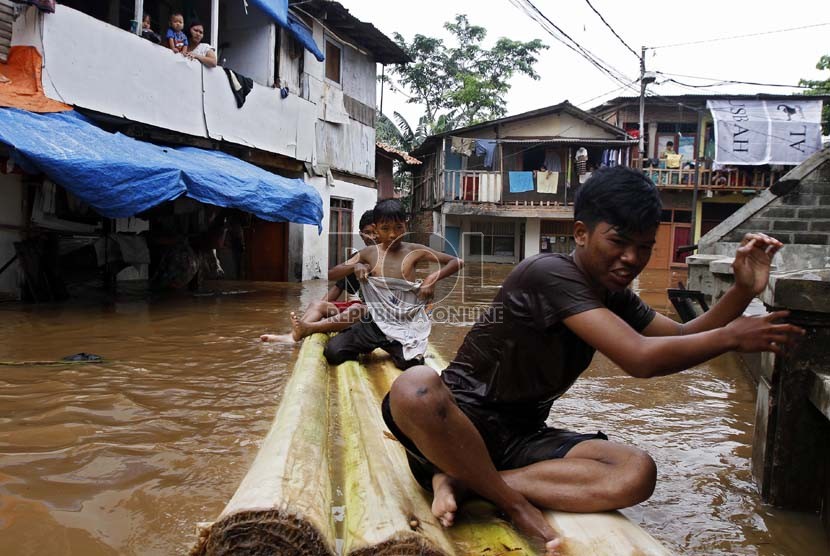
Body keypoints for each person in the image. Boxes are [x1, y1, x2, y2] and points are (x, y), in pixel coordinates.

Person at [381, 166, 804, 554]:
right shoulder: (547, 272)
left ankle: (466, 481)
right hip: (454, 429)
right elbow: (640, 359)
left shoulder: (613, 294)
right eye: (618, 242)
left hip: (520, 437)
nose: (631, 259)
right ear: (581, 233)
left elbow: (679, 336)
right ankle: (509, 500)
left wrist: (743, 291)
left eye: (643, 247)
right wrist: (730, 337)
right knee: (414, 386)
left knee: (636, 470)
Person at [324, 199, 463, 370]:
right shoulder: (368, 253)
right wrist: (356, 266)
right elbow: (331, 274)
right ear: (375, 230)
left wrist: (431, 279)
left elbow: (456, 261)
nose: (392, 234)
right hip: (374, 322)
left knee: (412, 364)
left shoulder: (414, 250)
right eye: (385, 229)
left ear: (406, 225)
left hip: (404, 324)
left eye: (398, 227)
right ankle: (367, 345)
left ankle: (391, 347)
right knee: (333, 352)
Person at [260, 210, 376, 343]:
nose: (372, 237)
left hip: (378, 312)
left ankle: (309, 328)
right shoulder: (358, 257)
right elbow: (337, 285)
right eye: (367, 233)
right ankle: (293, 336)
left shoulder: (389, 256)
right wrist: (322, 308)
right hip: (362, 309)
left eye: (375, 232)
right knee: (317, 304)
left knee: (357, 308)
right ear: (361, 235)